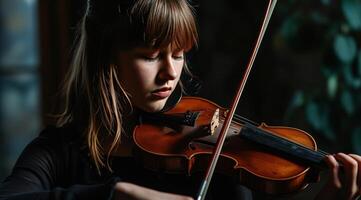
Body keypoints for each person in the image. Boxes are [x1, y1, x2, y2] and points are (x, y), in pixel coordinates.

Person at [0, 0, 360, 199]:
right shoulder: (58, 151)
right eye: (151, 55)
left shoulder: (215, 158)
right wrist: (118, 193)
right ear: (108, 57)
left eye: (178, 54)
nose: (170, 72)